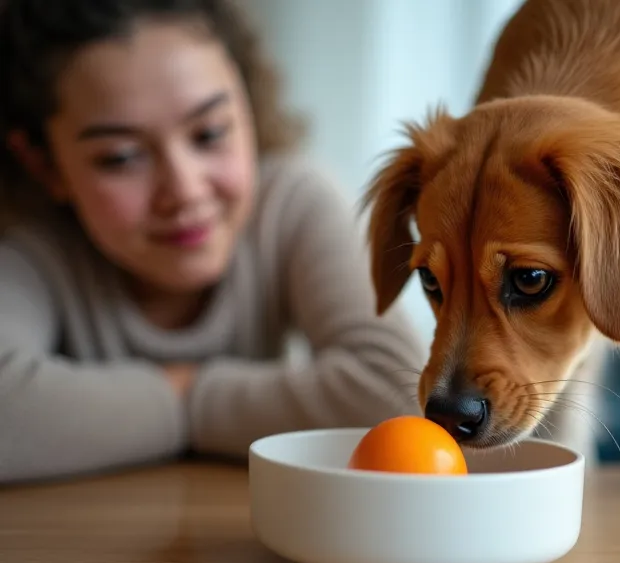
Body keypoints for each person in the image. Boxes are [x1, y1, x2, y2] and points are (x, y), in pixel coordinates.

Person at [0, 0, 425, 484]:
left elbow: (395, 394)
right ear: (45, 165)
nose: (183, 189)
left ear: (249, 104)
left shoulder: (291, 204)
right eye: (119, 157)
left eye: (209, 133)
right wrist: (175, 397)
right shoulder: (31, 249)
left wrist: (191, 396)